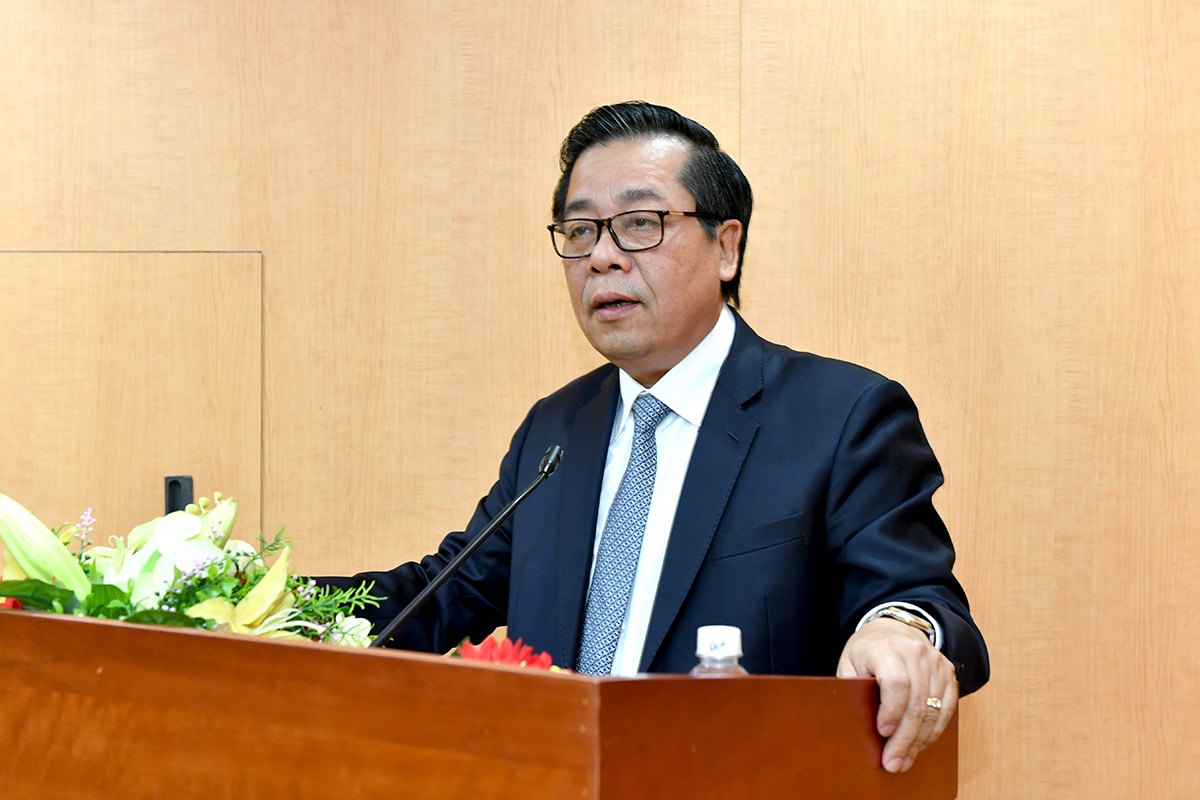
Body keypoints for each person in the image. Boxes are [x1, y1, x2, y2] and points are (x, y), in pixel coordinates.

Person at [321, 101, 988, 773]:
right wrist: (267, 599)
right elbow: (443, 594)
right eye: (580, 230)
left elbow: (919, 600)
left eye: (639, 224)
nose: (602, 257)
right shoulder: (555, 428)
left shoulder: (840, 416)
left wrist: (900, 630)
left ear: (726, 247)